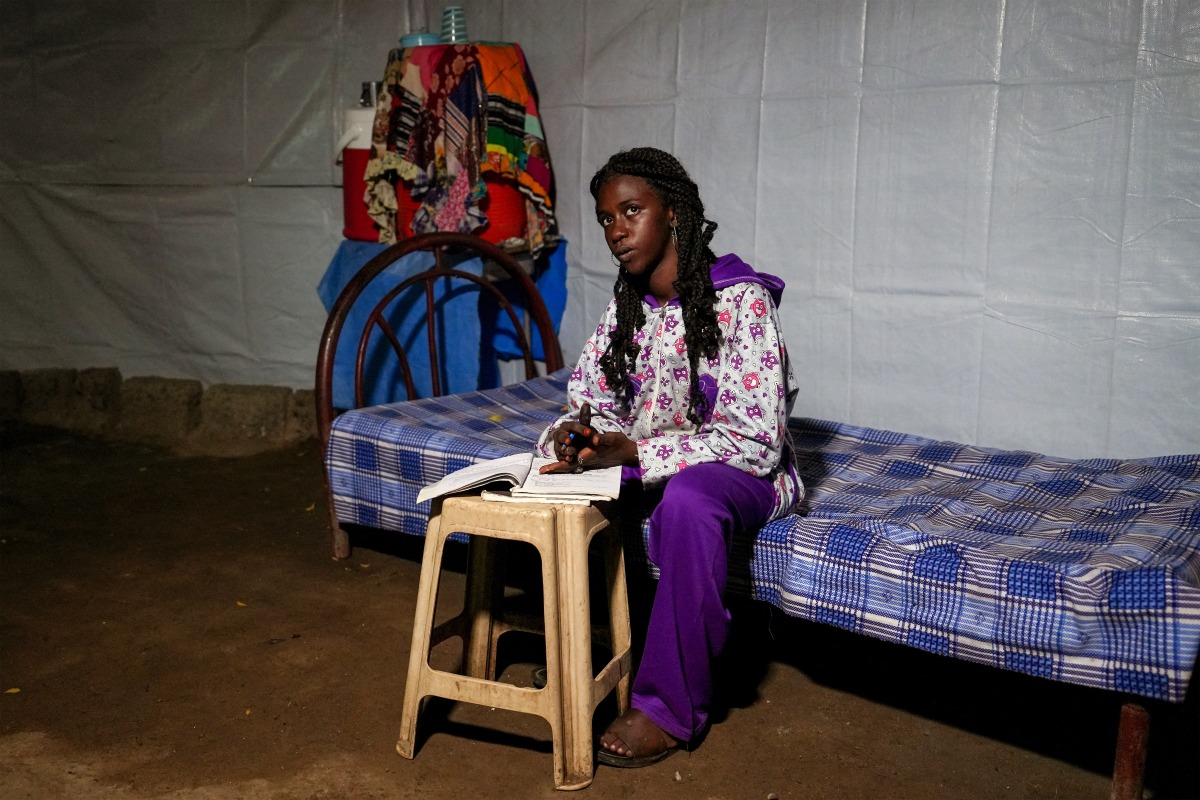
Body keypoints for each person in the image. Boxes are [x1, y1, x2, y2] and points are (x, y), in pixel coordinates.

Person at [536, 147, 804, 767]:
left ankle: (669, 708)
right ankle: (572, 672)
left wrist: (640, 452)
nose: (617, 230)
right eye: (606, 218)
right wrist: (586, 436)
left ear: (675, 214)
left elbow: (756, 439)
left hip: (742, 474)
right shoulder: (627, 307)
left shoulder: (741, 300)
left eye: (633, 210)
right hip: (650, 458)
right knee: (557, 483)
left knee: (687, 502)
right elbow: (592, 397)